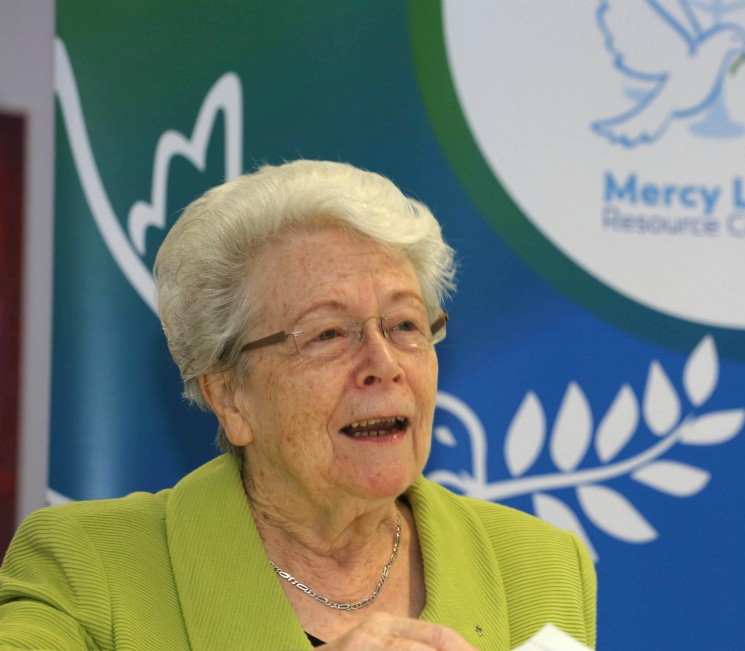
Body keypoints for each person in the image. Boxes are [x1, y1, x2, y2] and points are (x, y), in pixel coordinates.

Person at [0, 161, 597, 650]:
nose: (383, 362)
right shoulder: (86, 570)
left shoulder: (540, 568)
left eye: (405, 324)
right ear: (230, 396)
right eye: (327, 334)